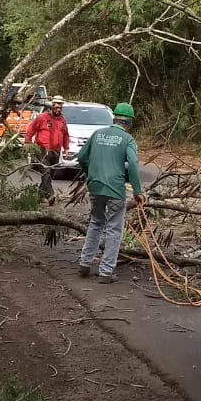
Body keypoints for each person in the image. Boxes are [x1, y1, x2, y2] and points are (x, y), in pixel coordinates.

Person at [75, 102, 144, 283]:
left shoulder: (97, 134)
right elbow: (133, 164)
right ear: (129, 123)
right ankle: (106, 272)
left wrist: (91, 174)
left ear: (114, 119)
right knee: (114, 228)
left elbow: (81, 157)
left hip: (95, 187)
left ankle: (85, 263)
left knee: (96, 223)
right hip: (115, 189)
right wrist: (137, 191)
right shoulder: (128, 140)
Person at [25, 95, 70, 205]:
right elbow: (31, 129)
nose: (58, 110)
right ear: (51, 106)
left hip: (56, 151)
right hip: (42, 150)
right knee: (46, 173)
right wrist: (27, 142)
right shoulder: (42, 118)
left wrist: (66, 148)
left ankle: (39, 196)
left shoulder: (62, 120)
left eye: (60, 108)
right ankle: (50, 195)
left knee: (49, 175)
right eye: (56, 107)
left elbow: (65, 135)